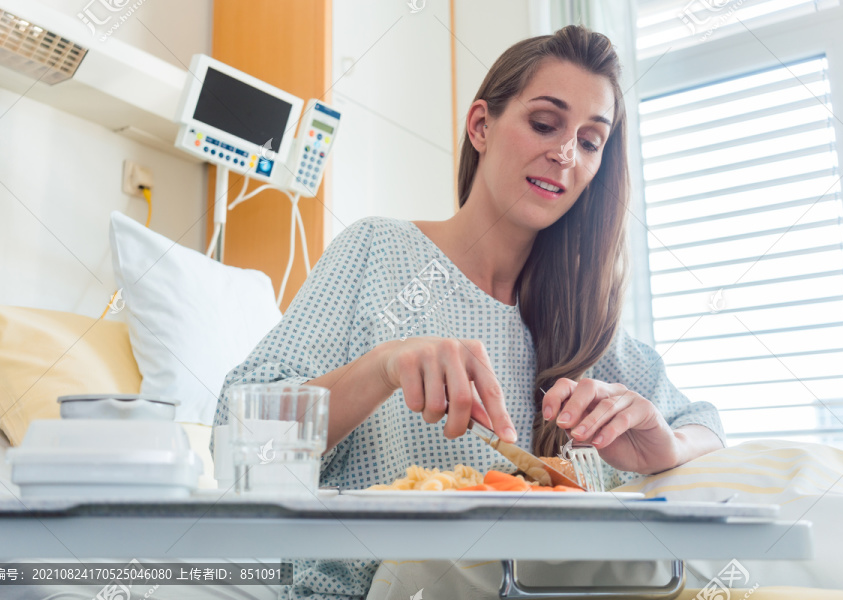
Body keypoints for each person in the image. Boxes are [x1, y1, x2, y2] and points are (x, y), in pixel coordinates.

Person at [210, 24, 725, 600]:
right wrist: (383, 366)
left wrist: (669, 445)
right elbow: (237, 440)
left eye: (590, 141)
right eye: (544, 123)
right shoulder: (378, 251)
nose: (564, 154)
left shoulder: (581, 328)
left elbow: (704, 423)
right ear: (481, 125)